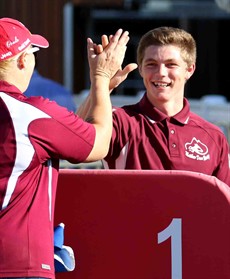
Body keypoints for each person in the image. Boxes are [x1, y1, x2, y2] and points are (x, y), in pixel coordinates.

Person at [0, 17, 131, 279]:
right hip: (18, 262)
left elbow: (69, 134)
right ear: (23, 60)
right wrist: (101, 78)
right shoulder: (30, 113)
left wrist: (100, 90)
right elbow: (97, 143)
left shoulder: (30, 116)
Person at [78, 26, 230, 186]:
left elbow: (222, 204)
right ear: (141, 69)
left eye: (171, 64)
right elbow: (76, 143)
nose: (161, 72)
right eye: (151, 64)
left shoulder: (213, 137)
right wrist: (101, 82)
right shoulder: (120, 122)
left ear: (189, 70)